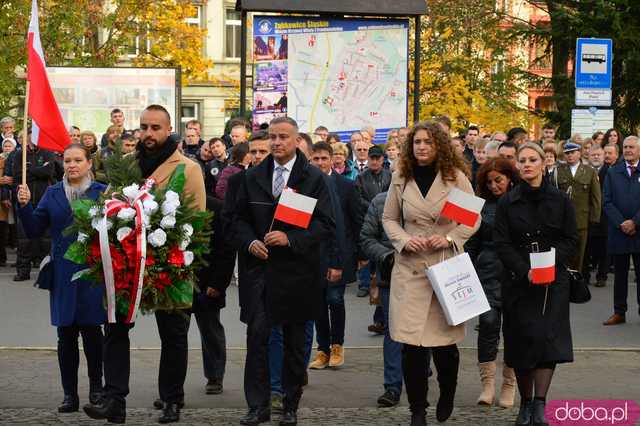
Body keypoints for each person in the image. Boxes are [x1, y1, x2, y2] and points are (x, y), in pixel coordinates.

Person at [83, 105, 205, 424]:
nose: (149, 134)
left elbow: (197, 221)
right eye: (144, 128)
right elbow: (109, 206)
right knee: (115, 328)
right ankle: (115, 401)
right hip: (126, 264)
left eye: (156, 128)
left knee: (174, 334)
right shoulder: (126, 163)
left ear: (168, 130)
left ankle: (171, 400)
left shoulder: (188, 169)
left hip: (169, 265)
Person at [233, 117, 334, 426]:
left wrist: (291, 239)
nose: (276, 142)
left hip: (297, 274)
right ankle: (257, 405)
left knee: (293, 343)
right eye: (272, 137)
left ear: (295, 141)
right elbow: (235, 219)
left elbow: (325, 224)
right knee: (258, 337)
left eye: (282, 137)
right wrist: (250, 242)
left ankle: (290, 403)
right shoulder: (251, 177)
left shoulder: (312, 178)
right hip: (259, 272)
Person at [382, 120, 478, 426]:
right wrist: (404, 240)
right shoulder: (401, 177)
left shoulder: (455, 178)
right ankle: (417, 410)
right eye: (417, 142)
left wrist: (450, 238)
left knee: (444, 346)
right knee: (411, 346)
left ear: (439, 146)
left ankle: (447, 392)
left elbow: (471, 220)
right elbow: (390, 218)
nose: (421, 147)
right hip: (410, 270)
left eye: (428, 142)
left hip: (445, 268)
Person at [17, 143, 106, 413]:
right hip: (63, 275)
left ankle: (96, 390)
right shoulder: (54, 193)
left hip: (93, 275)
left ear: (89, 163)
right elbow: (34, 229)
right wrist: (24, 205)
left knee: (93, 336)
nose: (72, 165)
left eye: (78, 160)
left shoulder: (103, 193)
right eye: (67, 160)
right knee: (65, 337)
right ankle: (70, 395)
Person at [493, 142, 577, 426]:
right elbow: (501, 243)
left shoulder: (560, 200)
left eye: (533, 159)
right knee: (520, 342)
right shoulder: (508, 201)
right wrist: (524, 269)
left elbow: (570, 239)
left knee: (547, 341)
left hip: (553, 280)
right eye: (522, 160)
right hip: (518, 279)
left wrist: (550, 263)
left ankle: (540, 404)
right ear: (517, 165)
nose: (527, 164)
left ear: (544, 163)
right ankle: (525, 403)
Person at [465, 158, 519, 408]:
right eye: (489, 181)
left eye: (499, 180)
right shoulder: (478, 206)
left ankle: (509, 385)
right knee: (487, 326)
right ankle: (487, 385)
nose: (495, 185)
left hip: (516, 274)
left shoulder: (522, 201)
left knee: (514, 331)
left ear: (509, 178)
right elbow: (471, 243)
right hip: (485, 273)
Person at [308, 142, 361, 370]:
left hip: (339, 251)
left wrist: (360, 253)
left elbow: (354, 221)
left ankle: (337, 344)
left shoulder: (346, 186)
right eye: (316, 159)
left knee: (335, 300)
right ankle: (322, 349)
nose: (320, 163)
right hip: (314, 254)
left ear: (332, 159)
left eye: (324, 158)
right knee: (318, 302)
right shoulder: (306, 186)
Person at [360, 189, 404, 408]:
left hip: (426, 274)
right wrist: (386, 257)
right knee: (393, 330)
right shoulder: (380, 200)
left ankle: (421, 370)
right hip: (391, 274)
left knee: (424, 331)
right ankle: (392, 387)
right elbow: (366, 238)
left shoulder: (434, 195)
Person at [602, 136, 640, 326]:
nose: (628, 150)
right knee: (620, 276)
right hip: (619, 232)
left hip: (639, 231)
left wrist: (635, 222)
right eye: (625, 147)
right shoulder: (613, 172)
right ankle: (619, 312)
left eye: (631, 147)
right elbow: (606, 201)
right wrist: (622, 224)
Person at [12, 128, 57, 281]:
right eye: (30, 138)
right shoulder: (19, 154)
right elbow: (18, 174)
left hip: (44, 200)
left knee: (46, 239)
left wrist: (30, 170)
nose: (33, 141)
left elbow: (48, 172)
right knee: (23, 239)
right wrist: (39, 170)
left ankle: (46, 272)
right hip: (25, 201)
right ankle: (23, 271)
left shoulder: (48, 153)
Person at [552, 142, 601, 276]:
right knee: (563, 254)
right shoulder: (558, 171)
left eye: (573, 152)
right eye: (567, 153)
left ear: (579, 153)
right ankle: (564, 281)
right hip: (562, 220)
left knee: (579, 254)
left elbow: (596, 197)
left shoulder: (590, 171)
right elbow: (552, 196)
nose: (570, 156)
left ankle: (576, 283)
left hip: (582, 220)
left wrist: (594, 218)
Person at [355, 145, 392, 300]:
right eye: (372, 158)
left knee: (381, 252)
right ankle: (363, 284)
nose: (374, 161)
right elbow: (358, 198)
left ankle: (381, 281)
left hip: (386, 219)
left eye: (377, 158)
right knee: (365, 253)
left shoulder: (389, 176)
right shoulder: (361, 177)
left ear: (382, 159)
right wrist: (373, 206)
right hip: (367, 218)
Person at [584, 145, 609, 287]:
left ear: (603, 156)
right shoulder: (584, 171)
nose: (596, 157)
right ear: (588, 156)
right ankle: (585, 275)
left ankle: (602, 276)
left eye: (598, 155)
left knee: (603, 248)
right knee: (586, 248)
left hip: (604, 216)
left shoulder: (610, 172)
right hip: (587, 215)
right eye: (593, 155)